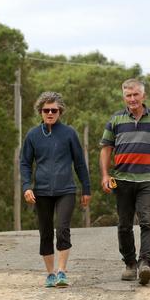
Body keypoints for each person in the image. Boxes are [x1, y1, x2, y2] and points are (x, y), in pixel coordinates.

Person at [99, 78, 150, 286]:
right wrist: (105, 175)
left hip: (148, 180)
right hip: (122, 180)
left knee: (148, 221)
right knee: (124, 225)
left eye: (135, 95)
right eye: (128, 95)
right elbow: (106, 149)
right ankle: (130, 264)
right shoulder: (115, 120)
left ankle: (145, 264)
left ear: (143, 96)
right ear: (124, 97)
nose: (132, 99)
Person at [20, 92, 91, 288]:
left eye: (54, 110)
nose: (50, 113)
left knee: (62, 229)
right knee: (45, 233)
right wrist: (26, 187)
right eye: (46, 110)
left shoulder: (69, 133)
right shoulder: (33, 135)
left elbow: (80, 164)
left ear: (60, 111)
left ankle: (61, 271)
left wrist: (86, 189)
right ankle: (50, 273)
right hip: (41, 192)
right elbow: (25, 163)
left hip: (66, 190)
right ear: (40, 112)